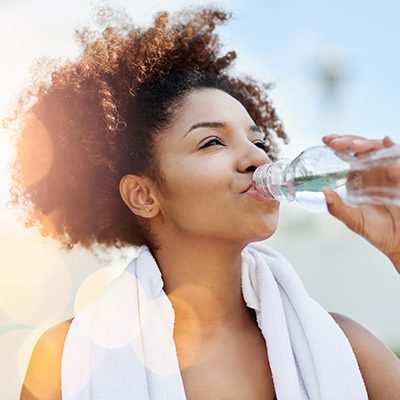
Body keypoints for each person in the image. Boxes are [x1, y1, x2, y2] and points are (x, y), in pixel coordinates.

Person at [6, 6, 399, 400]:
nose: (259, 159)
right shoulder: (66, 361)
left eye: (258, 142)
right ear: (143, 195)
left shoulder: (347, 350)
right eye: (212, 141)